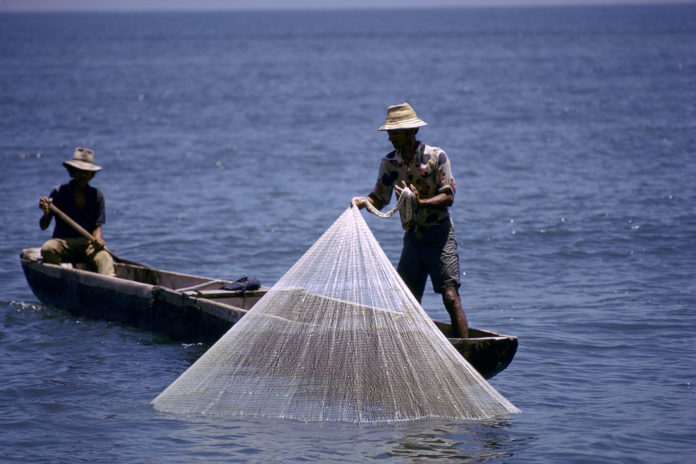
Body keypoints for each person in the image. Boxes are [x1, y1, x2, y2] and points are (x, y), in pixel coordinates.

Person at [352, 103, 468, 338]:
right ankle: (412, 345)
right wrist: (365, 202)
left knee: (450, 297)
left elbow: (448, 196)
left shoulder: (436, 157)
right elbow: (379, 198)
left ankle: (465, 352)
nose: (390, 138)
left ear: (411, 131)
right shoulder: (389, 163)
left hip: (439, 234)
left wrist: (421, 203)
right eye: (389, 133)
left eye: (395, 132)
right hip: (414, 237)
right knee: (408, 301)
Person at [38, 147, 115, 276]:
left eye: (86, 172)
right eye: (79, 171)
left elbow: (97, 225)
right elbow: (44, 226)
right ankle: (60, 279)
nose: (83, 175)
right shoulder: (59, 192)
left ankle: (110, 286)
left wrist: (98, 240)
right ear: (72, 172)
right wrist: (46, 213)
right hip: (63, 243)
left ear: (92, 175)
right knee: (47, 249)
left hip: (86, 244)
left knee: (104, 257)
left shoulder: (97, 195)